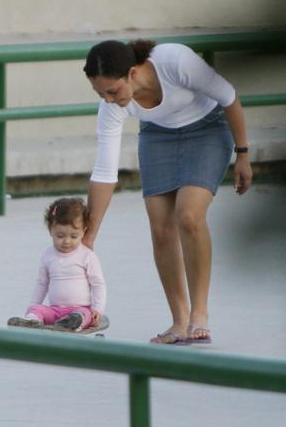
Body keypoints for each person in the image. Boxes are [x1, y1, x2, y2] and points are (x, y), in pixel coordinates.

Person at [82, 39, 253, 344]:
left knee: (188, 214)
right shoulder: (111, 107)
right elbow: (104, 172)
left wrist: (243, 154)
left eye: (112, 91)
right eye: (100, 94)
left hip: (207, 129)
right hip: (157, 136)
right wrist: (89, 237)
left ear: (133, 73)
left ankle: (200, 314)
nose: (108, 100)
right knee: (160, 228)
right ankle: (179, 320)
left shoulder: (175, 62)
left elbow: (228, 96)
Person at [8, 197, 106, 332]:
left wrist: (98, 309)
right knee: (37, 310)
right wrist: (34, 306)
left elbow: (98, 284)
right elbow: (42, 284)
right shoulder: (48, 256)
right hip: (54, 311)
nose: (66, 241)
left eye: (73, 236)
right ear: (51, 231)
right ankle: (32, 320)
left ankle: (74, 321)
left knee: (85, 315)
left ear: (83, 231)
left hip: (80, 308)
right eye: (60, 236)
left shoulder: (87, 255)